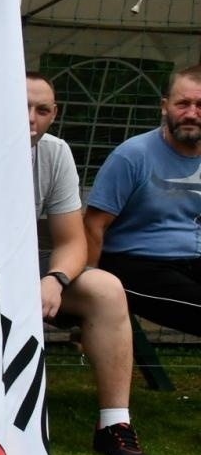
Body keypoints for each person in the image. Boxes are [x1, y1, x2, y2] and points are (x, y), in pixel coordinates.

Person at [26, 72, 152, 455]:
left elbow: (72, 240)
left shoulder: (54, 152)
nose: (31, 117)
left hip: (31, 281)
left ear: (53, 115)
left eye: (42, 110)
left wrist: (55, 278)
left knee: (105, 288)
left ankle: (114, 426)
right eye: (21, 106)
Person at [85, 64, 201, 337]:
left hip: (193, 261)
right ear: (164, 107)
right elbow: (93, 226)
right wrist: (88, 291)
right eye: (182, 104)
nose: (192, 114)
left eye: (199, 105)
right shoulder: (132, 156)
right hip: (136, 264)